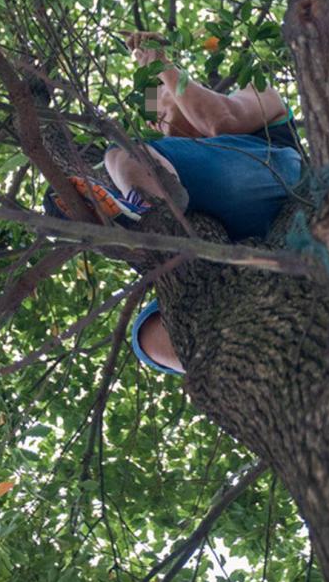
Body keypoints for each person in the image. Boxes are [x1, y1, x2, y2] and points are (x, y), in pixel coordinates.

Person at [46, 31, 304, 375]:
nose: (162, 122)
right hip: (246, 252)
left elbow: (221, 120)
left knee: (124, 154)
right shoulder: (175, 157)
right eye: (157, 120)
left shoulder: (256, 90)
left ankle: (143, 212)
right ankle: (234, 367)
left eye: (168, 105)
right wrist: (152, 87)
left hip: (276, 181)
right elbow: (157, 129)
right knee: (150, 332)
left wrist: (160, 65)